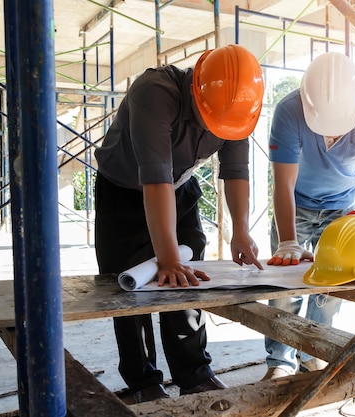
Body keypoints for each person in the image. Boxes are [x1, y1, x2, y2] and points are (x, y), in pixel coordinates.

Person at [94, 44, 265, 402]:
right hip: (124, 192)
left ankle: (193, 374)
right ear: (195, 90)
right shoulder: (154, 92)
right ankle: (144, 384)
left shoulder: (238, 107)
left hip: (179, 185)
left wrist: (241, 230)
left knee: (189, 281)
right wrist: (168, 258)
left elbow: (235, 173)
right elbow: (154, 179)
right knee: (128, 290)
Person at [263, 51, 355, 379]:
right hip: (294, 205)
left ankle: (314, 353)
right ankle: (280, 362)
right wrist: (288, 241)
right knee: (286, 288)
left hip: (342, 209)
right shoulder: (288, 110)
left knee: (330, 288)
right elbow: (284, 182)